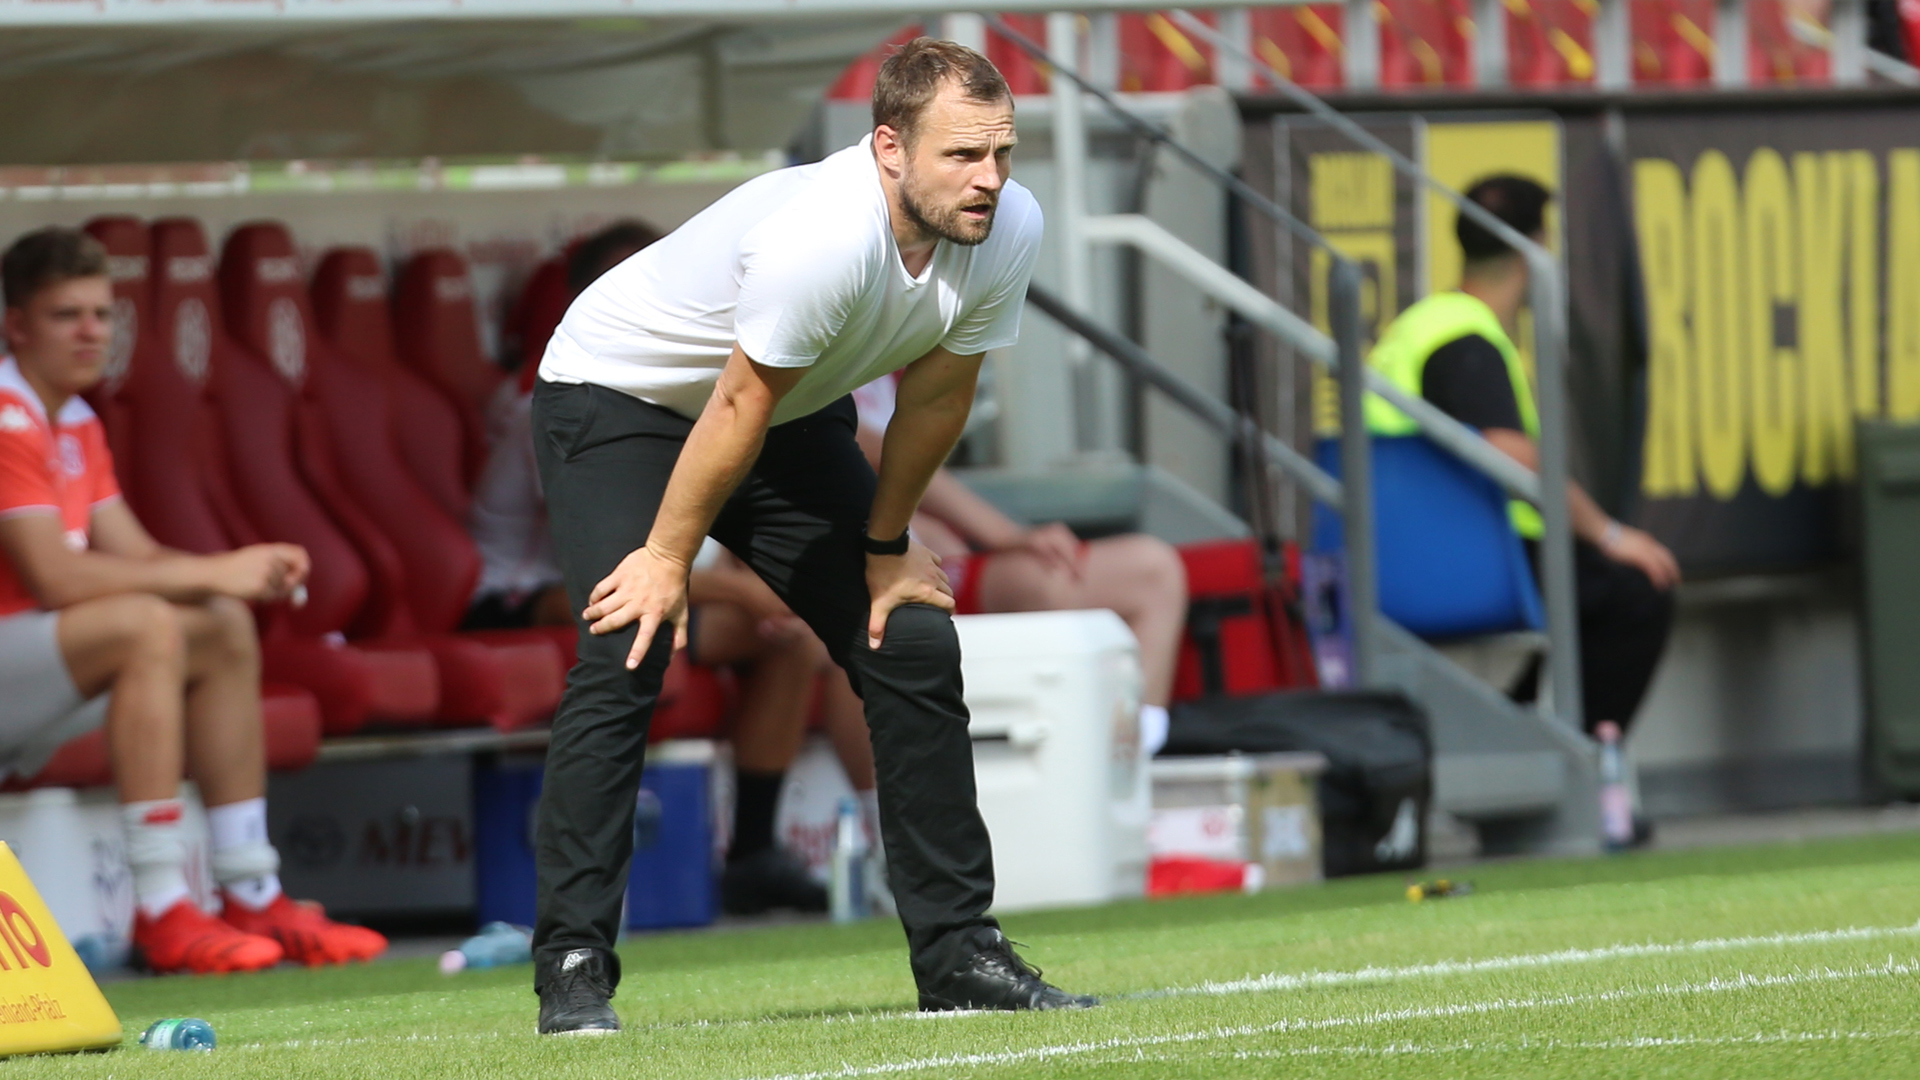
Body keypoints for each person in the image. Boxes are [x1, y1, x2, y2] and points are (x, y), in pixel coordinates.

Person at [530, 38, 1093, 1034]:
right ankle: (574, 965)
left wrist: (887, 547)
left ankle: (960, 953)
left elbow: (938, 394)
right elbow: (736, 403)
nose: (991, 178)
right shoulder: (821, 237)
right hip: (621, 398)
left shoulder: (1007, 226)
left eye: (1002, 152)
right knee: (629, 643)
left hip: (781, 412)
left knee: (909, 634)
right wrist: (666, 562)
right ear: (888, 148)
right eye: (963, 156)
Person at [0, 227, 388, 974]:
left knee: (220, 626)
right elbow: (55, 578)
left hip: (37, 671)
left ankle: (251, 889)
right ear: (17, 325)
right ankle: (159, 908)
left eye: (102, 315)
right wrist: (218, 571)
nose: (90, 333)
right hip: (14, 665)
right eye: (65, 316)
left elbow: (138, 556)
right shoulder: (9, 414)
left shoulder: (75, 419)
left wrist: (236, 571)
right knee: (149, 624)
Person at [466, 223, 834, 914]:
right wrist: (747, 592)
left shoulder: (683, 391)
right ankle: (581, 907)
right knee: (642, 619)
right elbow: (621, 551)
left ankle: (753, 851)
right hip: (517, 593)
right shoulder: (555, 396)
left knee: (793, 635)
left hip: (633, 577)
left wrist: (760, 595)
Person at [1364, 175, 1678, 747]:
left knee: (1583, 593)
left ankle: (1523, 742)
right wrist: (1608, 534)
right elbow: (1512, 458)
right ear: (1532, 249)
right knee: (1637, 591)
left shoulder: (1424, 324)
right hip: (1465, 553)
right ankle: (1586, 763)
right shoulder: (1465, 337)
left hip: (1412, 543)